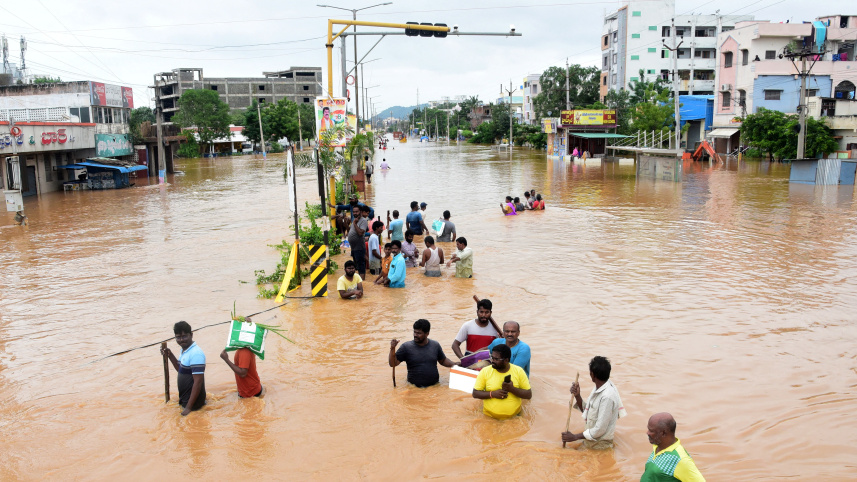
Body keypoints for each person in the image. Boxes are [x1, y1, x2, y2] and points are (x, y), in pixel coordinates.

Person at [561, 356, 627, 449]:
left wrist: (575, 437)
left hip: (599, 446)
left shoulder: (607, 397)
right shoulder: (599, 388)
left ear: (592, 374)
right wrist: (577, 396)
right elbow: (588, 412)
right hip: (590, 442)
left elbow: (600, 429)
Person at [389, 319, 458, 388]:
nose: (415, 335)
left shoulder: (435, 345)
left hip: (434, 387)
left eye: (419, 333)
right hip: (414, 389)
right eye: (414, 332)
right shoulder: (406, 347)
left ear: (427, 333)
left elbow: (443, 360)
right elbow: (393, 364)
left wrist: (454, 364)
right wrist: (392, 349)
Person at [471, 344, 532, 419]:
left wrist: (512, 389)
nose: (492, 361)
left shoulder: (519, 371)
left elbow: (528, 395)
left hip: (513, 418)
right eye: (492, 358)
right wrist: (492, 394)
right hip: (489, 417)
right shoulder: (485, 371)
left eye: (496, 359)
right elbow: (475, 393)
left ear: (506, 360)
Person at [641, 413, 706, 482]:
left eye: (651, 431)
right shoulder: (657, 446)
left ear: (663, 433)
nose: (647, 433)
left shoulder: (680, 460)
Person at [160, 321, 206, 416]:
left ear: (191, 335)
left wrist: (188, 408)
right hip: (185, 400)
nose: (181, 340)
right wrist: (169, 354)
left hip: (194, 405)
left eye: (184, 336)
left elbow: (198, 382)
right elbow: (180, 370)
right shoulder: (184, 350)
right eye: (178, 337)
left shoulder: (196, 354)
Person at [219, 331, 263, 398]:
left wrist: (226, 359)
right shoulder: (246, 347)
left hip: (251, 393)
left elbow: (243, 373)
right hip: (250, 389)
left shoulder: (244, 351)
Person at [347, 205, 369, 277]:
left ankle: (363, 282)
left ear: (361, 212)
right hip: (353, 248)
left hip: (359, 247)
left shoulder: (363, 221)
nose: (355, 213)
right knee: (356, 266)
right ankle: (358, 281)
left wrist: (354, 224)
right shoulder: (355, 219)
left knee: (361, 266)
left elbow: (360, 233)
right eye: (353, 212)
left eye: (357, 211)